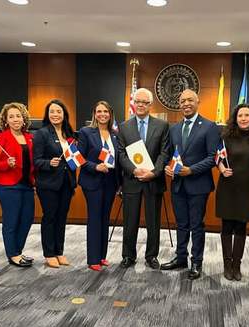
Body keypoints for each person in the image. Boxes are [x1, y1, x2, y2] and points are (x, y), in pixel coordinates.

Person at [160, 89, 220, 280]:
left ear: (197, 102)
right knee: (182, 224)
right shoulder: (174, 128)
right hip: (178, 185)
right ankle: (180, 258)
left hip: (198, 185)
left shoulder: (210, 127)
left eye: (190, 100)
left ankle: (196, 262)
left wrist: (191, 170)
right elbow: (170, 155)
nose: (186, 103)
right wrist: (168, 168)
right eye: (183, 100)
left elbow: (213, 157)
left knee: (196, 225)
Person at [117, 88, 170, 269]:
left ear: (150, 105)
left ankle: (151, 256)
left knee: (153, 222)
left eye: (144, 102)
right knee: (130, 220)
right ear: (133, 103)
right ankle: (128, 255)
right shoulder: (124, 127)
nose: (140, 105)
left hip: (153, 181)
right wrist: (134, 170)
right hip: (132, 181)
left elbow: (164, 153)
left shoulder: (162, 126)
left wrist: (154, 172)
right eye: (137, 102)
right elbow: (121, 154)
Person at [216, 103, 249, 281]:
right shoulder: (225, 136)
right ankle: (227, 265)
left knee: (241, 228)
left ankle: (237, 265)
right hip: (228, 186)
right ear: (235, 119)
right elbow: (217, 155)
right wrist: (220, 168)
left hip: (247, 188)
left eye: (246, 115)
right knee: (227, 227)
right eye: (240, 115)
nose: (243, 118)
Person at [33, 99, 76, 268]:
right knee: (50, 217)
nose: (55, 115)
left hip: (67, 182)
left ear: (64, 114)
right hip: (48, 183)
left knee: (61, 218)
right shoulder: (42, 133)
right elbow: (36, 160)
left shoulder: (69, 134)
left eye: (58, 111)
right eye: (52, 111)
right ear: (47, 115)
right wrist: (48, 163)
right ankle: (49, 253)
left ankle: (59, 251)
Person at [77, 101, 120, 271]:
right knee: (95, 219)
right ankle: (92, 259)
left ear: (110, 114)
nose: (103, 114)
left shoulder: (115, 134)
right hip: (92, 181)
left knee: (105, 218)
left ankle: (102, 256)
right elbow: (78, 158)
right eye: (99, 111)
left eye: (106, 111)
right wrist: (95, 166)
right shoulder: (86, 132)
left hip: (110, 182)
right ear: (94, 114)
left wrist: (120, 183)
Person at [0, 102, 35, 268]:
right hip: (7, 185)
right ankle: (13, 254)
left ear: (24, 118)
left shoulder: (30, 137)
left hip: (27, 184)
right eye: (11, 116)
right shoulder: (0, 137)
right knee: (12, 220)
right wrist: (5, 165)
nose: (15, 119)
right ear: (5, 120)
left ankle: (18, 250)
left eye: (18, 115)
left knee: (27, 219)